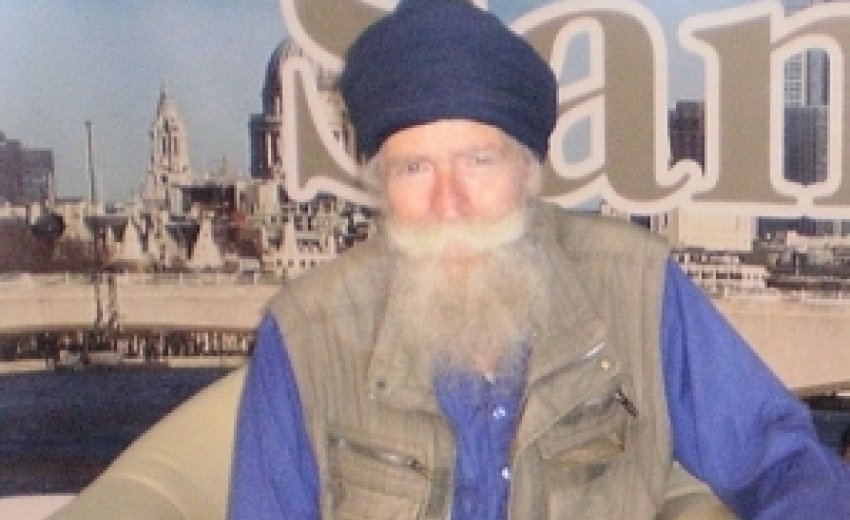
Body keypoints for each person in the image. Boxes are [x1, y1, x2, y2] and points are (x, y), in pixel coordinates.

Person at [227, 0, 850, 519]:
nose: (449, 203)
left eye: (478, 161)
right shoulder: (304, 336)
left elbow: (783, 463)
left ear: (527, 171)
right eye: (414, 169)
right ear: (380, 185)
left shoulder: (636, 287)